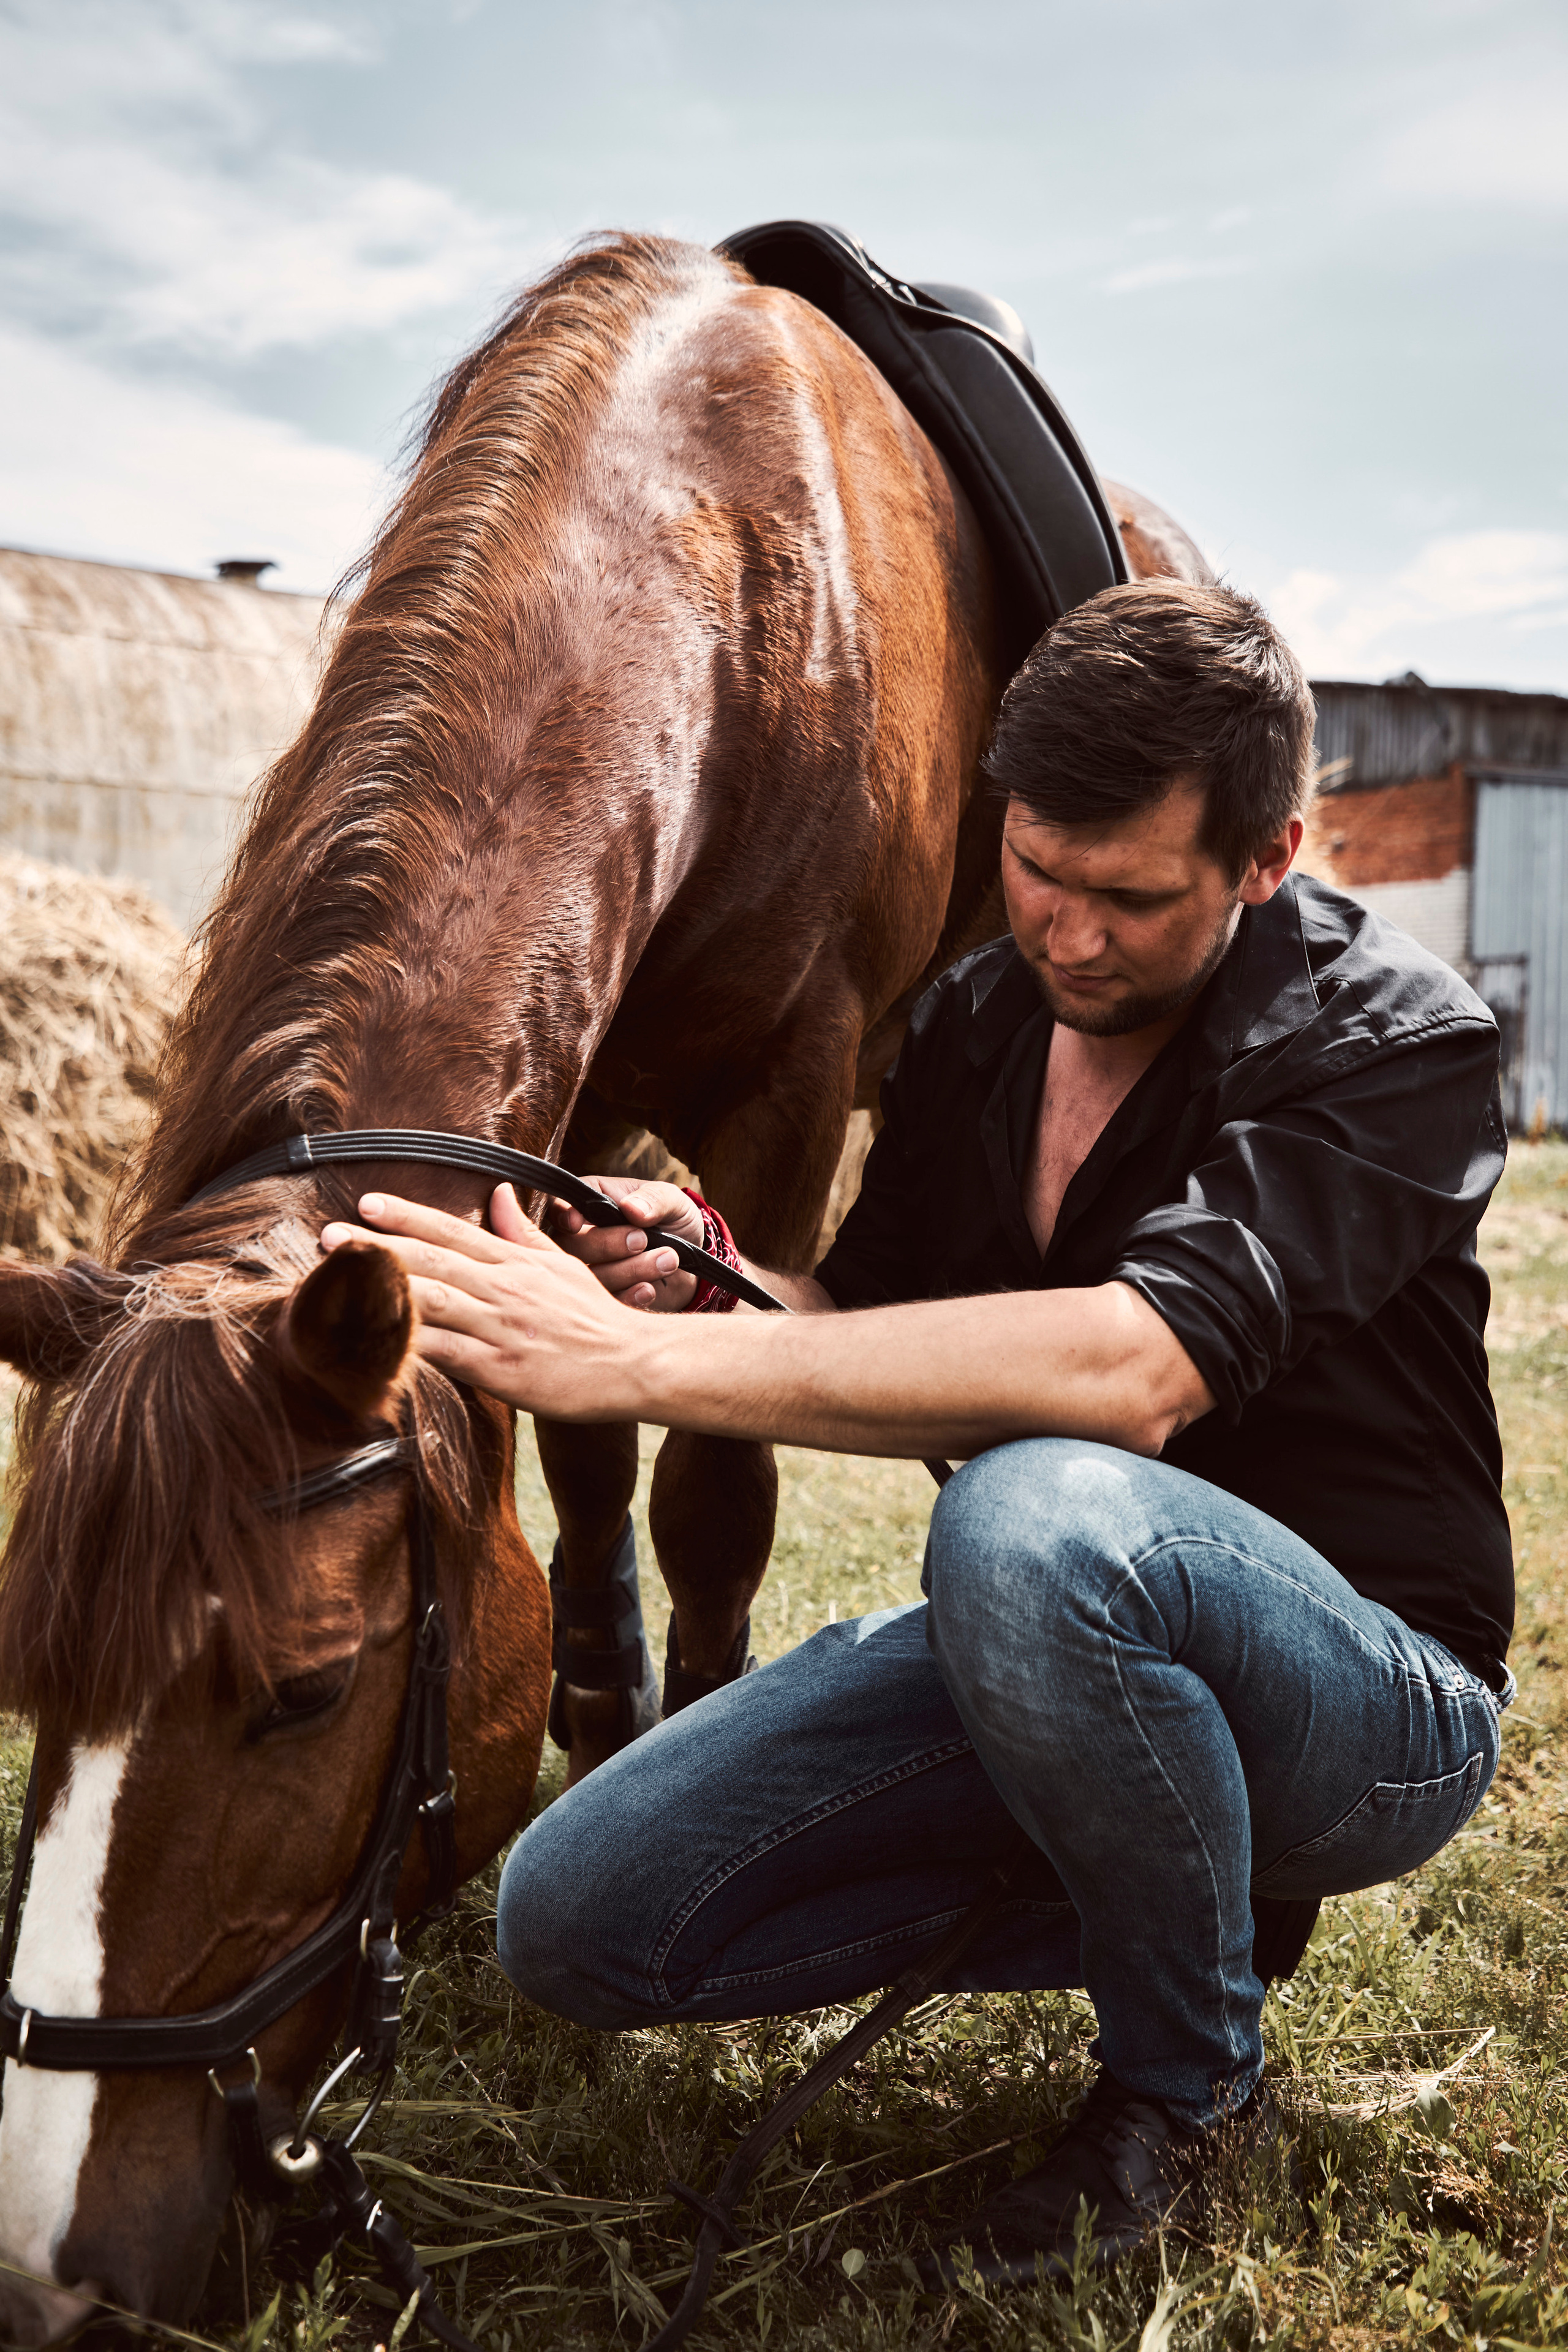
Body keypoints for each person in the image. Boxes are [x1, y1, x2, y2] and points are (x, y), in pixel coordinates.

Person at [323, 579, 1514, 2283]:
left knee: (1027, 1516)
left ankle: (1188, 2082)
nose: (1070, 935)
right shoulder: (977, 1020)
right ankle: (1172, 1878)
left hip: (1370, 1700)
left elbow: (1135, 1373)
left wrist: (628, 1376)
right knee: (577, 1921)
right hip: (1065, 1651)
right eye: (1037, 871)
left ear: (1270, 859)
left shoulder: (1398, 1038)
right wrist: (699, 1277)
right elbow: (860, 1319)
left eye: (1132, 896)